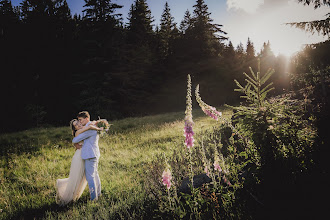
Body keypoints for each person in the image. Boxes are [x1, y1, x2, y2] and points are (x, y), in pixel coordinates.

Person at [56, 118, 102, 205]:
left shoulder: (83, 128)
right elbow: (87, 129)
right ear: (75, 128)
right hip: (80, 155)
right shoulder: (78, 132)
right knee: (78, 176)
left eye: (78, 122)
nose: (79, 124)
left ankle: (95, 194)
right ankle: (71, 194)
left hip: (86, 154)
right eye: (76, 125)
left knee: (87, 176)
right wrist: (96, 127)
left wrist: (93, 124)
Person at [72, 111, 102, 201]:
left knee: (90, 176)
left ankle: (94, 198)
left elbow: (75, 140)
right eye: (78, 121)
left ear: (87, 119)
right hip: (93, 153)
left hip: (90, 154)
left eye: (80, 120)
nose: (80, 122)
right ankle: (98, 194)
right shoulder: (90, 126)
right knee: (95, 174)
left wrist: (76, 136)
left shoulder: (90, 129)